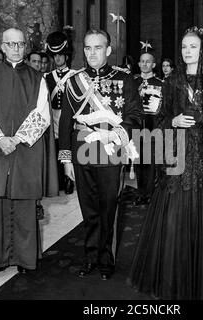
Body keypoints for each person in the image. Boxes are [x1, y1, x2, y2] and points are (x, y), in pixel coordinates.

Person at [127, 27, 203, 300]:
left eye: (192, 46)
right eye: (183, 46)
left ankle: (200, 283)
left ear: (202, 49)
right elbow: (161, 120)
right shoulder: (172, 82)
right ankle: (173, 282)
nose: (187, 51)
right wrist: (174, 121)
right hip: (176, 159)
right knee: (174, 220)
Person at [0, 28, 58, 273]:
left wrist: (17, 139)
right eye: (11, 44)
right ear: (4, 45)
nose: (16, 49)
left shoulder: (36, 78)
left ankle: (24, 258)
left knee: (24, 204)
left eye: (20, 44)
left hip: (24, 150)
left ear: (25, 45)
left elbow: (42, 115)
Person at [58, 29, 142, 280]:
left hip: (110, 150)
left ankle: (107, 259)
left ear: (108, 50)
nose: (92, 53)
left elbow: (135, 115)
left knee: (109, 207)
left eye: (97, 48)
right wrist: (66, 159)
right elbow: (64, 124)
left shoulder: (124, 79)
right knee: (88, 208)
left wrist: (116, 134)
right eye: (87, 48)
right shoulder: (74, 81)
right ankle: (91, 256)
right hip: (82, 149)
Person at [45, 31, 76, 194]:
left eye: (60, 55)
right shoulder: (47, 77)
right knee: (54, 147)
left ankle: (69, 179)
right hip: (52, 117)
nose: (57, 58)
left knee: (67, 144)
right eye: (55, 55)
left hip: (68, 118)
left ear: (66, 56)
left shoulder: (75, 75)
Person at [134, 51, 163, 205]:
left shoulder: (160, 84)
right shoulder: (132, 83)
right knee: (138, 162)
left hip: (153, 128)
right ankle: (141, 192)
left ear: (153, 65)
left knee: (151, 163)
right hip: (136, 129)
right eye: (142, 61)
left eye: (148, 62)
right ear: (138, 64)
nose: (144, 64)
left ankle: (151, 193)